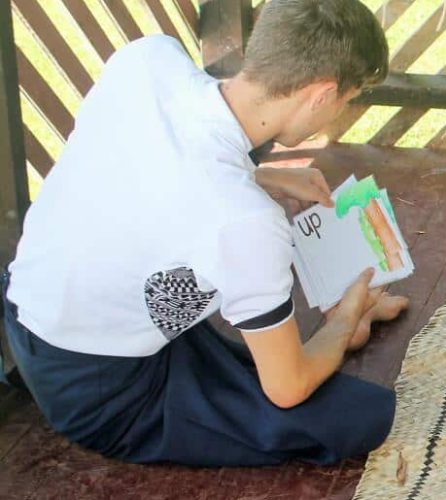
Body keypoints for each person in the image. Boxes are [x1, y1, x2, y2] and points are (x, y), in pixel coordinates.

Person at [1, 0, 408, 466]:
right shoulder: (246, 223)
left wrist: (264, 176)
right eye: (345, 100)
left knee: (252, 345)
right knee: (356, 415)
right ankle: (335, 339)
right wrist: (343, 320)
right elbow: (288, 390)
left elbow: (155, 161)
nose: (338, 112)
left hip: (32, 310)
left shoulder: (147, 60)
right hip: (98, 393)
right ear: (321, 94)